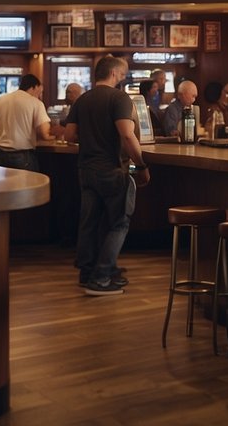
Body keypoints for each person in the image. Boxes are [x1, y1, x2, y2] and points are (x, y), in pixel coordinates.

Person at [65, 55, 149, 296]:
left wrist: (92, 137)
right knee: (119, 222)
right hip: (111, 170)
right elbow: (126, 134)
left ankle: (87, 272)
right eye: (122, 75)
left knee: (89, 222)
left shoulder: (82, 99)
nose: (123, 79)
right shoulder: (119, 97)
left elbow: (70, 135)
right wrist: (141, 165)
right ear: (113, 74)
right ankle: (101, 278)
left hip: (86, 170)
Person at [0, 74, 52, 171]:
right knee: (28, 185)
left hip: (0, 153)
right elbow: (45, 133)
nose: (40, 95)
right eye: (40, 92)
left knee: (4, 186)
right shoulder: (36, 103)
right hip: (22, 155)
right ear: (35, 86)